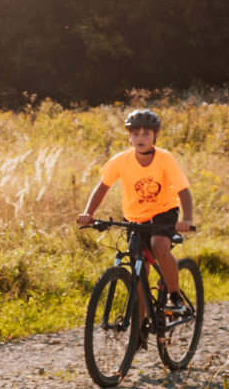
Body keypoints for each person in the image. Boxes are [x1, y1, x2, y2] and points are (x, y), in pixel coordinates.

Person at [76, 108, 197, 307]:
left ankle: (175, 296)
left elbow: (183, 191)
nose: (140, 138)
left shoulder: (165, 158)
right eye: (135, 134)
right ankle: (140, 331)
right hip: (134, 216)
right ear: (129, 137)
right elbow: (102, 188)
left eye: (146, 134)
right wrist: (88, 213)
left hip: (164, 211)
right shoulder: (121, 160)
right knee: (139, 272)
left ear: (155, 136)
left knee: (159, 246)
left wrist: (187, 220)